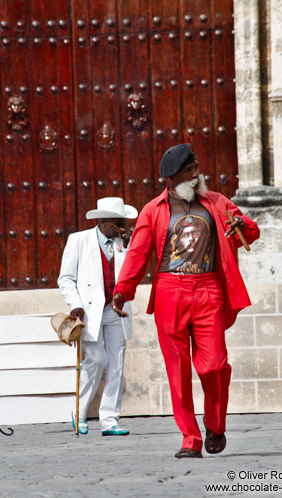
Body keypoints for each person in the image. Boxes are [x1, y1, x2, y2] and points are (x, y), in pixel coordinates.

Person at [112, 143, 260, 458]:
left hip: (208, 291)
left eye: (196, 168)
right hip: (169, 292)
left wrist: (243, 226)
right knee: (177, 372)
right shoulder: (153, 210)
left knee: (214, 366)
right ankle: (190, 440)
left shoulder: (218, 203)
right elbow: (138, 254)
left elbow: (250, 231)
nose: (196, 175)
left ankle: (215, 424)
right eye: (189, 171)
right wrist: (123, 290)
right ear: (172, 179)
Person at [58, 197, 138, 436]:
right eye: (117, 221)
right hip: (90, 312)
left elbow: (134, 272)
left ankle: (110, 420)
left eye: (123, 221)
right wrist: (75, 304)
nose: (122, 225)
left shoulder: (125, 243)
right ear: (104, 221)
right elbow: (66, 278)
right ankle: (79, 413)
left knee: (116, 365)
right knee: (96, 360)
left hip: (117, 311)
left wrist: (129, 244)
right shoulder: (79, 240)